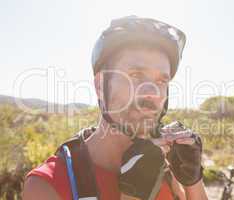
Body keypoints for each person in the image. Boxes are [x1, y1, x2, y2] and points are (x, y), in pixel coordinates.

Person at [22, 16, 208, 200]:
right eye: (135, 75)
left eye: (161, 81)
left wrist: (193, 181)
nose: (152, 93)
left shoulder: (166, 163)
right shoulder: (47, 185)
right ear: (101, 85)